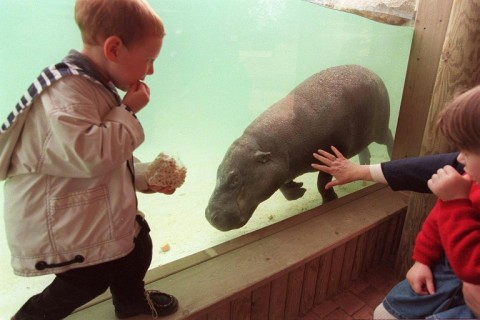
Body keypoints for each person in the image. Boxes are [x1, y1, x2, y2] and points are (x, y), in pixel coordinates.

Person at [1, 0, 179, 319]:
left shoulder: (90, 86)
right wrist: (128, 111)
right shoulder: (66, 94)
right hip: (62, 222)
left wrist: (143, 177)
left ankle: (131, 304)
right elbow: (90, 156)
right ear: (114, 48)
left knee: (137, 246)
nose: (151, 70)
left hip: (86, 211)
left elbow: (108, 162)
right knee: (86, 280)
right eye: (148, 59)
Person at [311, 86, 480, 319]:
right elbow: (439, 217)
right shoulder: (471, 179)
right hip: (448, 266)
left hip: (468, 273)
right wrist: (422, 258)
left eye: (467, 152)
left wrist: (455, 203)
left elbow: (472, 267)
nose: (458, 159)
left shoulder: (462, 192)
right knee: (383, 313)